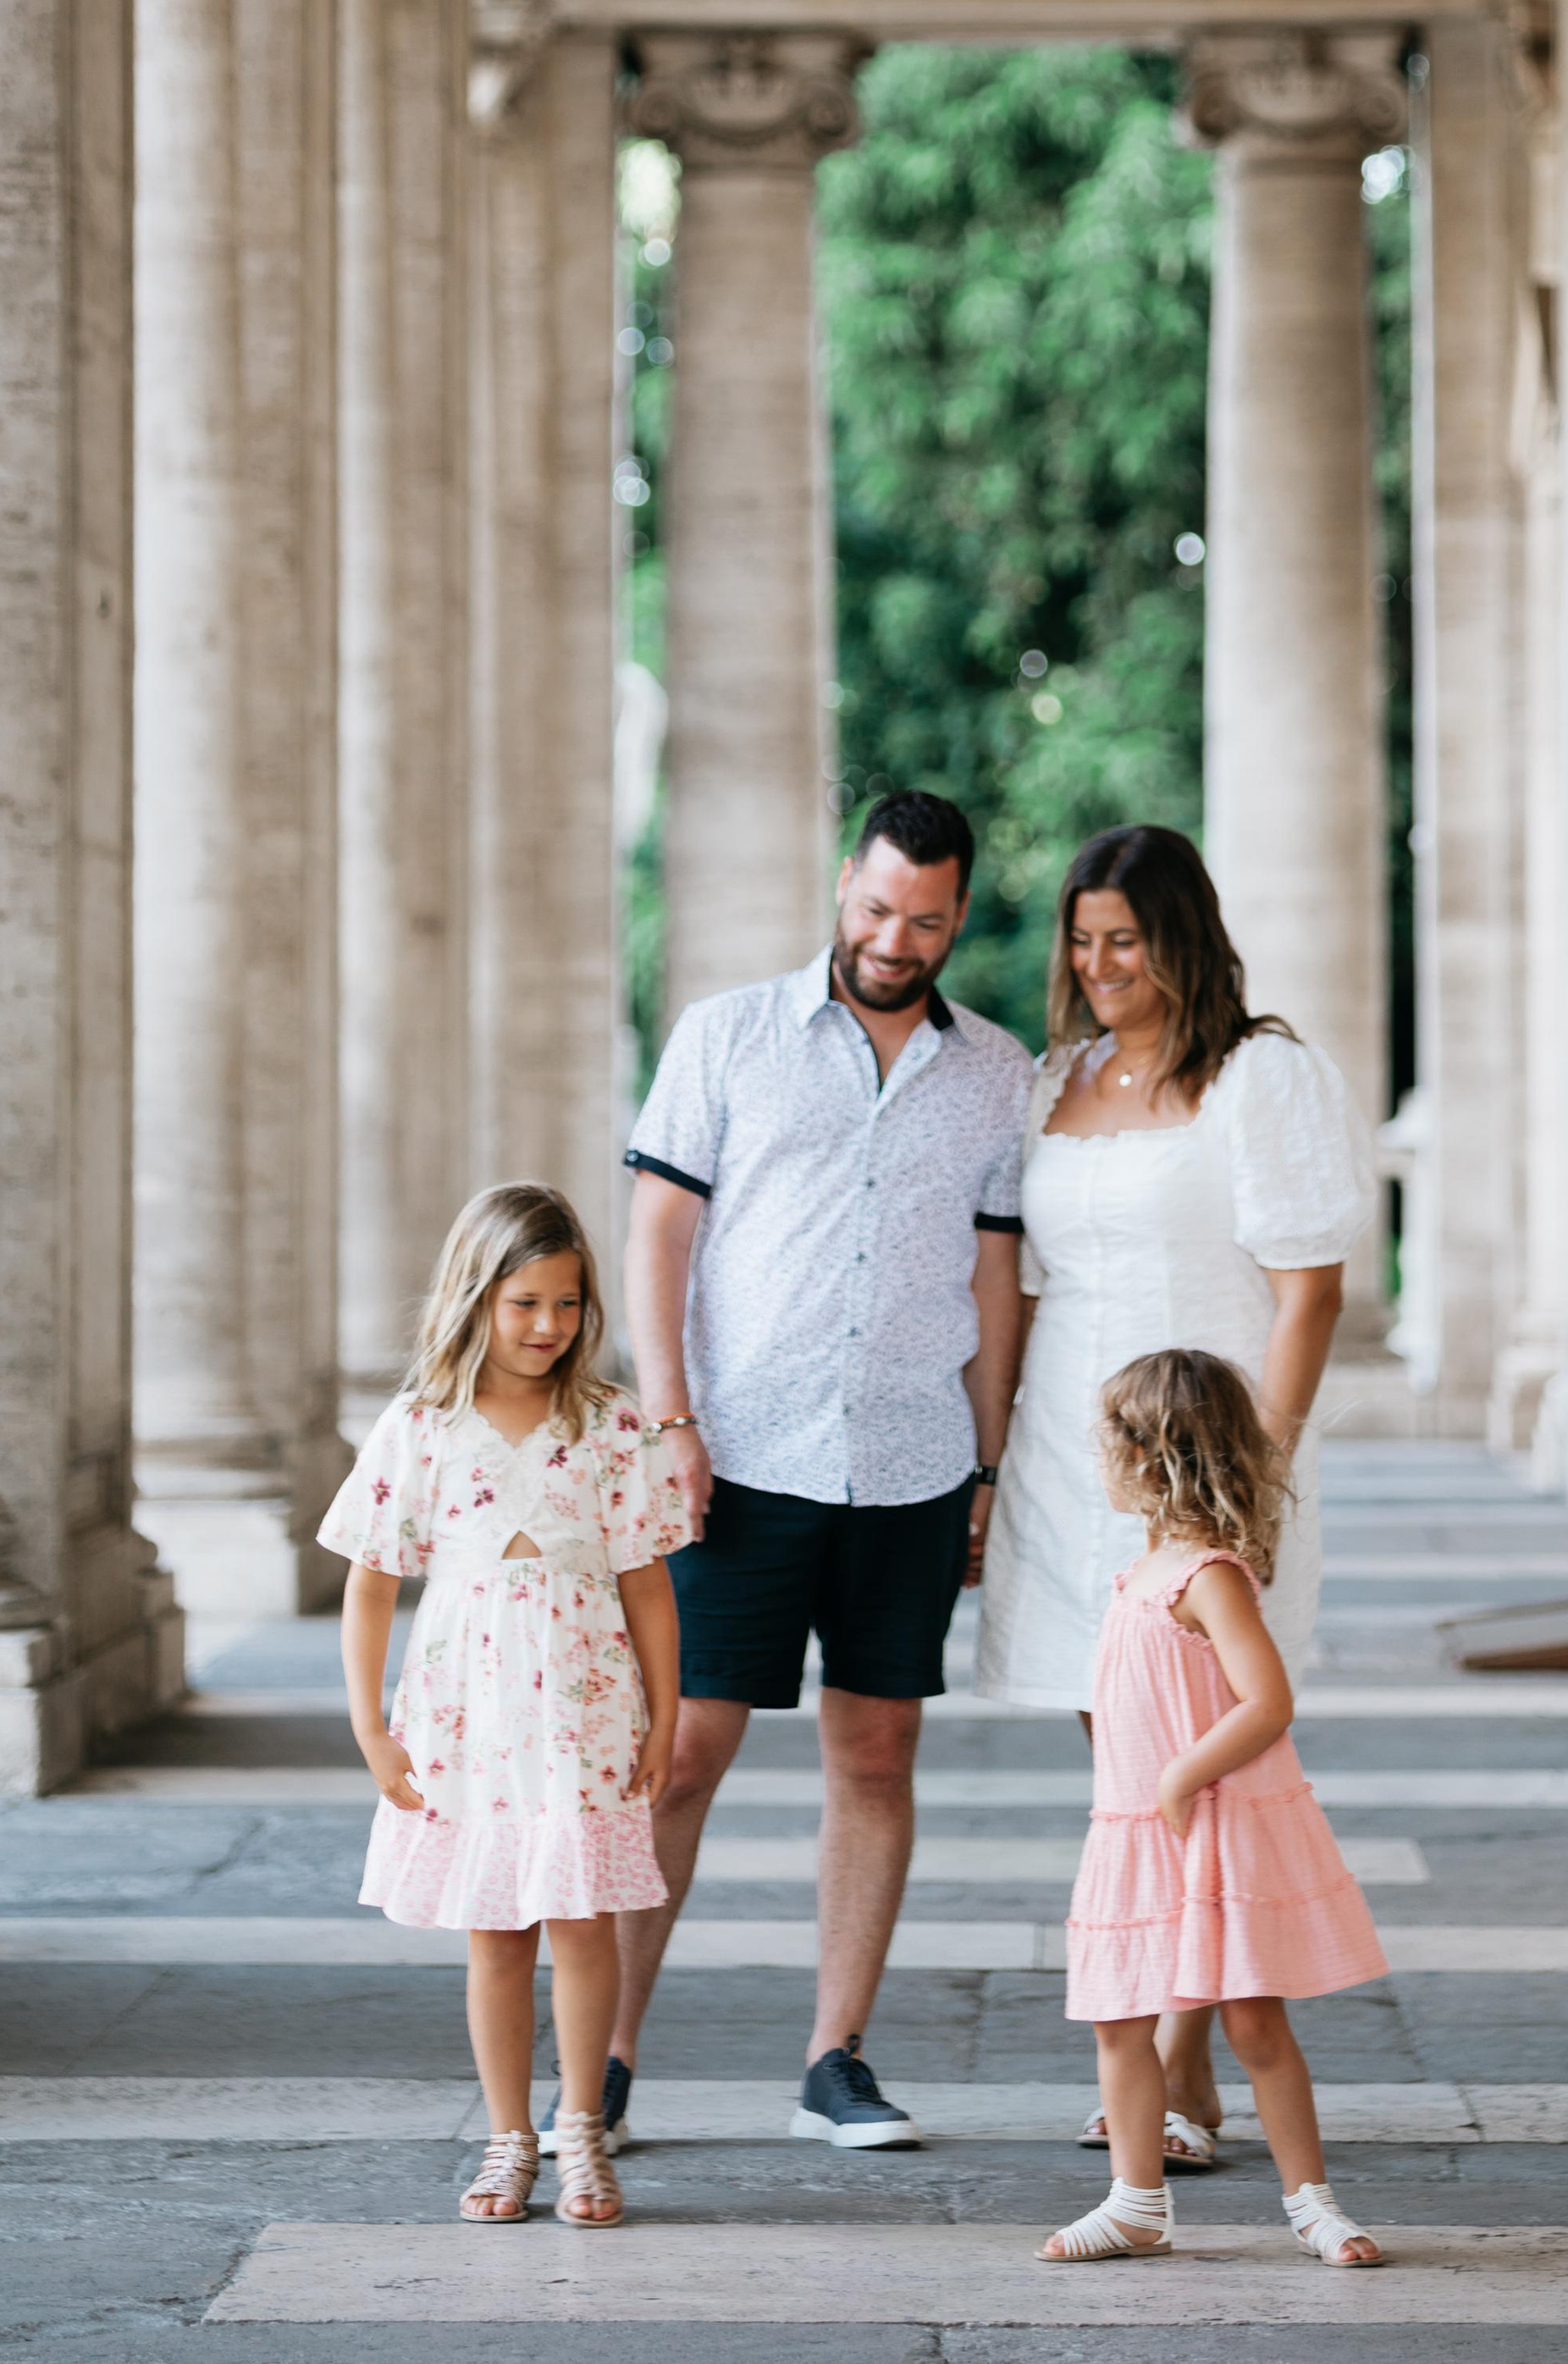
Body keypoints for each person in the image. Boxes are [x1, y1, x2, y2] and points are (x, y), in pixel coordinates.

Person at [611, 788, 1034, 2151]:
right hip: (739, 1459)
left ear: (958, 915)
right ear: (843, 882)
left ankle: (834, 2060)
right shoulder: (727, 1035)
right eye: (873, 909)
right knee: (681, 1754)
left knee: (878, 1751)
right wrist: (671, 1423)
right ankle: (600, 2058)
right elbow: (659, 1235)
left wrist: (984, 1465)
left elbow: (994, 1274)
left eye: (922, 921)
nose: (892, 940)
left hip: (908, 1460)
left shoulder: (997, 1073)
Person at [974, 820, 1377, 2160]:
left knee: (1203, 1753)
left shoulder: (1262, 1077)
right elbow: (1022, 1290)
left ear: (1181, 938)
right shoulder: (1057, 1078)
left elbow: (1310, 1286)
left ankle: (1184, 2069)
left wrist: (1253, 1473)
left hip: (1211, 1465)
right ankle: (1169, 2063)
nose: (1099, 968)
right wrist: (990, 1466)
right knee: (1124, 1756)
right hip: (1072, 1457)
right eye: (1083, 945)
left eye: (1125, 944)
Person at [322, 1181, 688, 2230]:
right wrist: (370, 1728)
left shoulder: (610, 1422)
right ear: (476, 1297)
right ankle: (507, 2136)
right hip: (465, 1714)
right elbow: (371, 1581)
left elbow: (647, 1583)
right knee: (495, 1932)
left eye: (568, 1304)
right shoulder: (422, 1425)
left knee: (582, 1923)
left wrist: (663, 1719)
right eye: (525, 1303)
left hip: (582, 1710)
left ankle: (582, 2133)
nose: (547, 1326)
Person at [1041, 1348, 1385, 2268]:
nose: (1100, 1459)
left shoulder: (1209, 1576)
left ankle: (1311, 2202)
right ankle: (1134, 2201)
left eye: (1109, 1443)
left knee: (1253, 2024)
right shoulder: (1143, 1570)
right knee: (1120, 2020)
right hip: (1133, 1835)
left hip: (1204, 1828)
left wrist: (1179, 1778)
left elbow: (1266, 1701)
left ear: (1155, 1455)